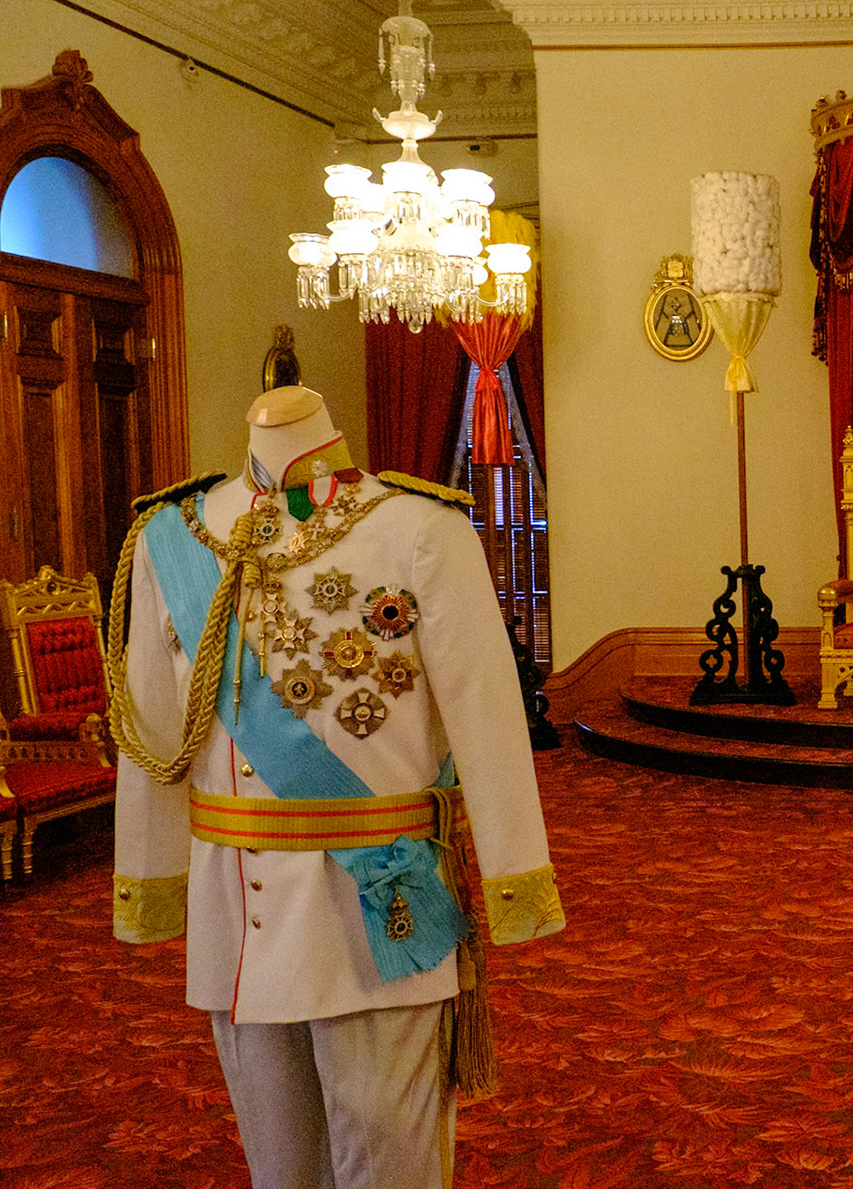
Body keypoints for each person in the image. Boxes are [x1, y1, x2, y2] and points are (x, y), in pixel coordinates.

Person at [110, 385, 564, 1188]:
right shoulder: (167, 537)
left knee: (390, 1159)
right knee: (279, 1165)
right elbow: (150, 737)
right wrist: (151, 882)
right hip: (236, 904)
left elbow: (489, 717)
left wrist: (516, 876)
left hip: (376, 906)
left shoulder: (421, 529)